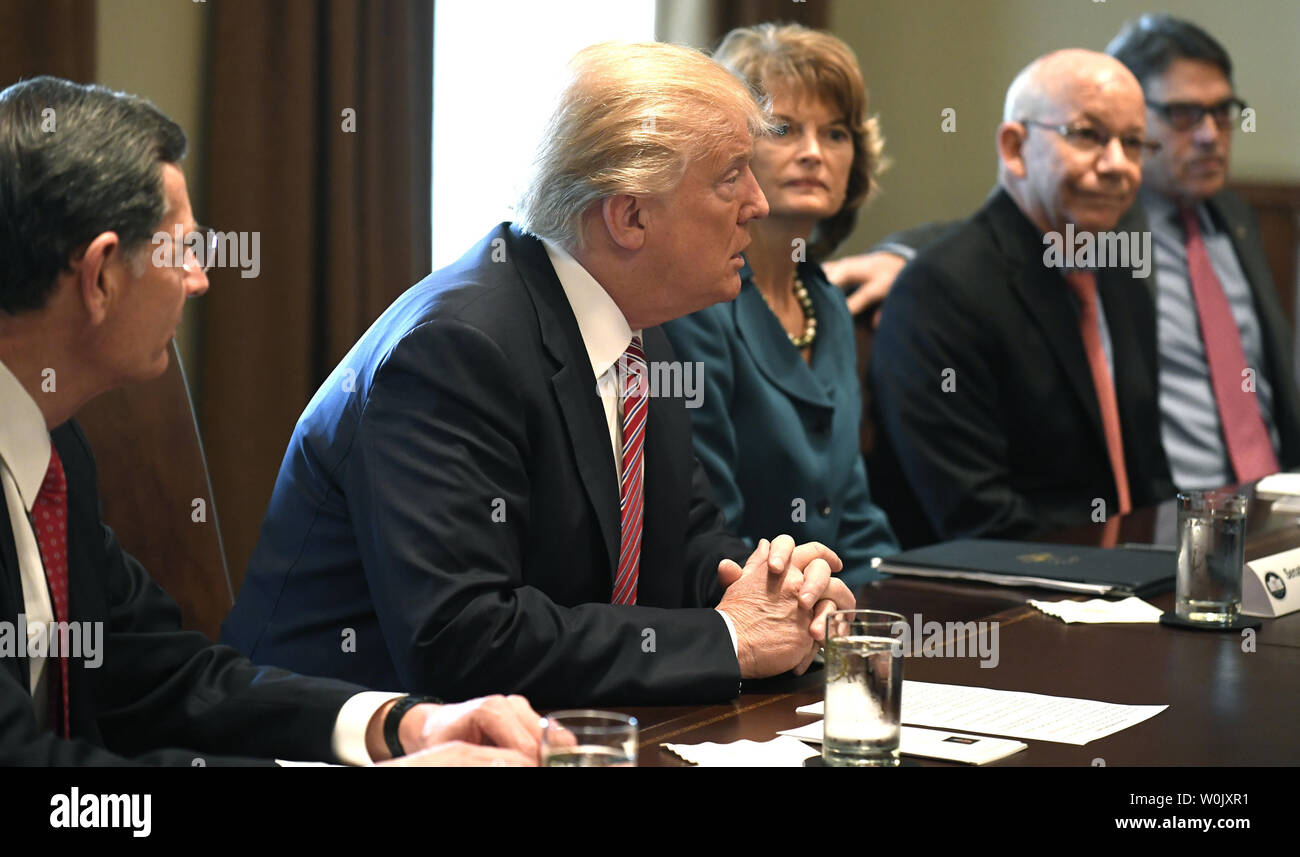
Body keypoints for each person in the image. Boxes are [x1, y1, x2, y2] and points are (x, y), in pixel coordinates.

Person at [221, 42, 854, 706]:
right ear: (630, 215)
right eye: (731, 176)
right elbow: (464, 640)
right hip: (335, 743)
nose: (758, 202)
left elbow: (684, 539)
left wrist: (775, 591)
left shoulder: (638, 327)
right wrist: (730, 638)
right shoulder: (455, 350)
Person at [0, 76, 543, 766]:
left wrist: (403, 725)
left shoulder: (54, 447)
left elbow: (171, 678)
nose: (200, 278)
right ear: (102, 273)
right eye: (182, 250)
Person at [869, 50, 1175, 547]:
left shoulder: (1120, 277)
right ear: (1014, 147)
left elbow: (1150, 481)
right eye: (1088, 135)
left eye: (1134, 142)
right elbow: (978, 520)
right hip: (997, 606)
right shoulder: (941, 293)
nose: (1118, 164)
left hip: (1134, 585)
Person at [662, 23, 896, 591]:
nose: (814, 153)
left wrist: (892, 612)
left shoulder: (828, 303)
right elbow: (708, 528)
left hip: (837, 610)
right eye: (785, 129)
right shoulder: (696, 306)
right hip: (738, 613)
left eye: (836, 134)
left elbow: (855, 515)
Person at [1105, 14, 1300, 490]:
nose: (1211, 134)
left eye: (1221, 111)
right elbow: (994, 241)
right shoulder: (1098, 226)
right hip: (1166, 517)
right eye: (1183, 114)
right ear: (1129, 120)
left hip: (1274, 502)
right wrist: (900, 252)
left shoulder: (1236, 216)